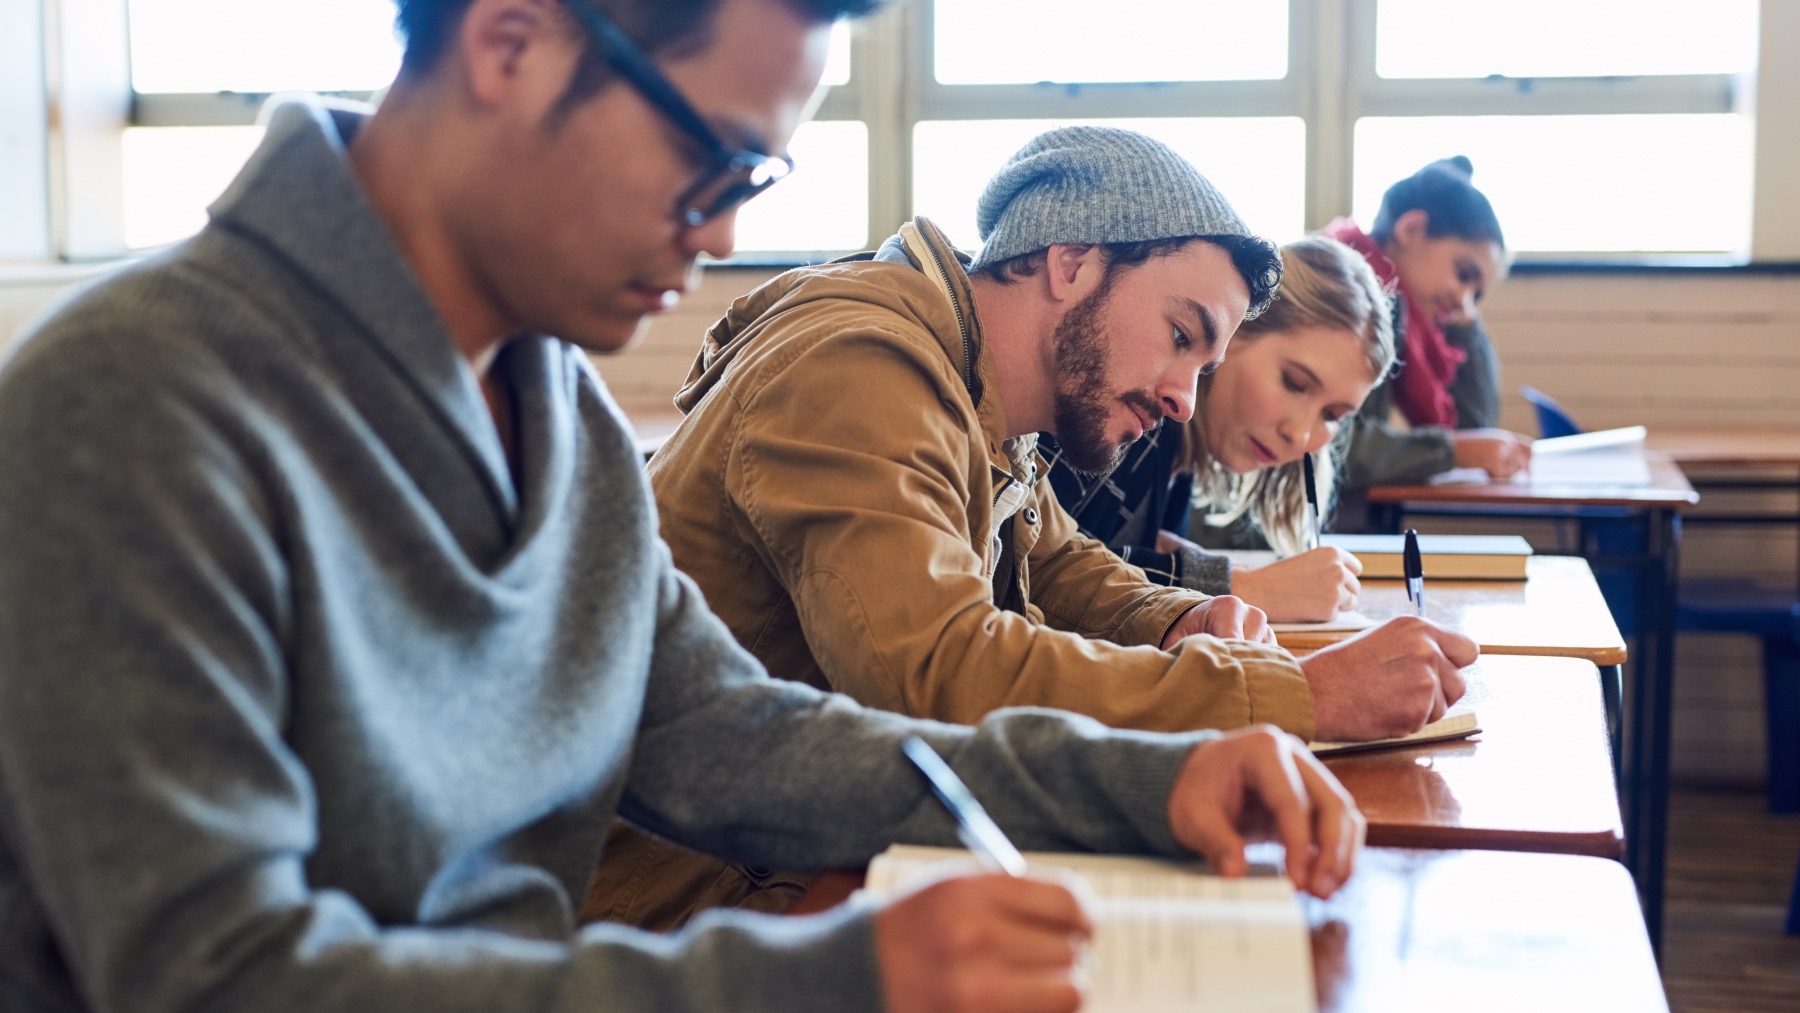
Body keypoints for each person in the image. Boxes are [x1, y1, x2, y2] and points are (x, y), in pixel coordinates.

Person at [0, 2, 1368, 1012]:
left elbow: (724, 733)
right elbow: (218, 978)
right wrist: (825, 980)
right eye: (706, 160)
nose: (719, 236)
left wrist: (1145, 782)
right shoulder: (137, 401)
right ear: (512, 41)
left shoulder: (554, 407)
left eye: (749, 182)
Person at [598, 126, 1474, 928]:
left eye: (1205, 364)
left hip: (809, 851)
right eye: (1181, 334)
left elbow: (1060, 563)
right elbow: (939, 670)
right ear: (1072, 261)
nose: (1184, 398)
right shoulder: (859, 364)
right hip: (692, 900)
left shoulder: (983, 391)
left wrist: (1182, 618)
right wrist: (1295, 696)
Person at [1044, 234, 1393, 623]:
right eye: (1294, 383)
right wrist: (1246, 588)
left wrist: (1182, 561)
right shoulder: (1133, 410)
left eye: (1331, 415)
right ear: (1233, 329)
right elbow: (1032, 567)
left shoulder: (1178, 459)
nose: (1301, 436)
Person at [1324, 157, 1534, 528]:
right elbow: (1334, 445)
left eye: (1477, 295)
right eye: (1464, 273)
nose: (1463, 301)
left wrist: (1467, 323)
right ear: (1411, 229)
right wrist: (1451, 451)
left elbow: (1475, 427)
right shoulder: (1345, 292)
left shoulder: (1407, 320)